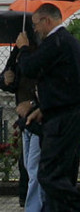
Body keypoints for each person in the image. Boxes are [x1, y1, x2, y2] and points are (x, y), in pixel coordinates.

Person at [16, 3, 80, 212]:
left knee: (49, 175)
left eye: (35, 25)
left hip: (63, 120)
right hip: (64, 113)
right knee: (61, 176)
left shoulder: (56, 42)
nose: (34, 30)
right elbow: (64, 85)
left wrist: (23, 48)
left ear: (47, 21)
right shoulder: (66, 43)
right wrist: (43, 108)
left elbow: (29, 67)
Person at [3, 23, 44, 212]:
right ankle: (27, 200)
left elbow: (38, 76)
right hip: (24, 117)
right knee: (27, 164)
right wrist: (6, 79)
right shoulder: (18, 53)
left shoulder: (41, 53)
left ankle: (33, 206)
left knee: (34, 165)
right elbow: (8, 77)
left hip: (38, 117)